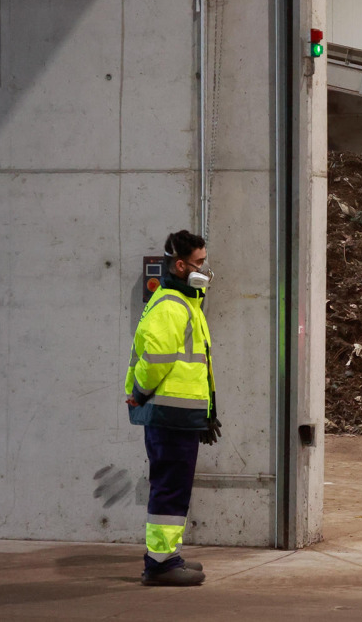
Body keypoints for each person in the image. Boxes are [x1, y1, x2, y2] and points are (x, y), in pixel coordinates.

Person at [124, 230, 222, 586]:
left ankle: (167, 555)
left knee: (174, 487)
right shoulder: (171, 306)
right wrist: (139, 392)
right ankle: (160, 564)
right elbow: (156, 362)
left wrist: (206, 413)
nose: (204, 269)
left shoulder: (184, 303)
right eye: (199, 262)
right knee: (169, 487)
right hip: (168, 414)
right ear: (180, 266)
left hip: (179, 414)